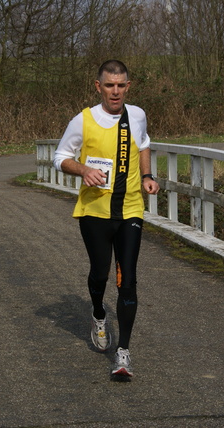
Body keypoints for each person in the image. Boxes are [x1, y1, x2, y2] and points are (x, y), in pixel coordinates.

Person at [53, 60, 160, 378]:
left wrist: (147, 175)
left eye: (121, 85)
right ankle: (98, 313)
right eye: (110, 85)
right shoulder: (83, 120)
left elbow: (144, 144)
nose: (116, 91)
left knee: (128, 280)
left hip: (130, 209)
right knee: (100, 274)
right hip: (95, 212)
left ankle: (123, 353)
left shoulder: (136, 115)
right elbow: (60, 157)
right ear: (98, 86)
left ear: (129, 86)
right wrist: (84, 169)